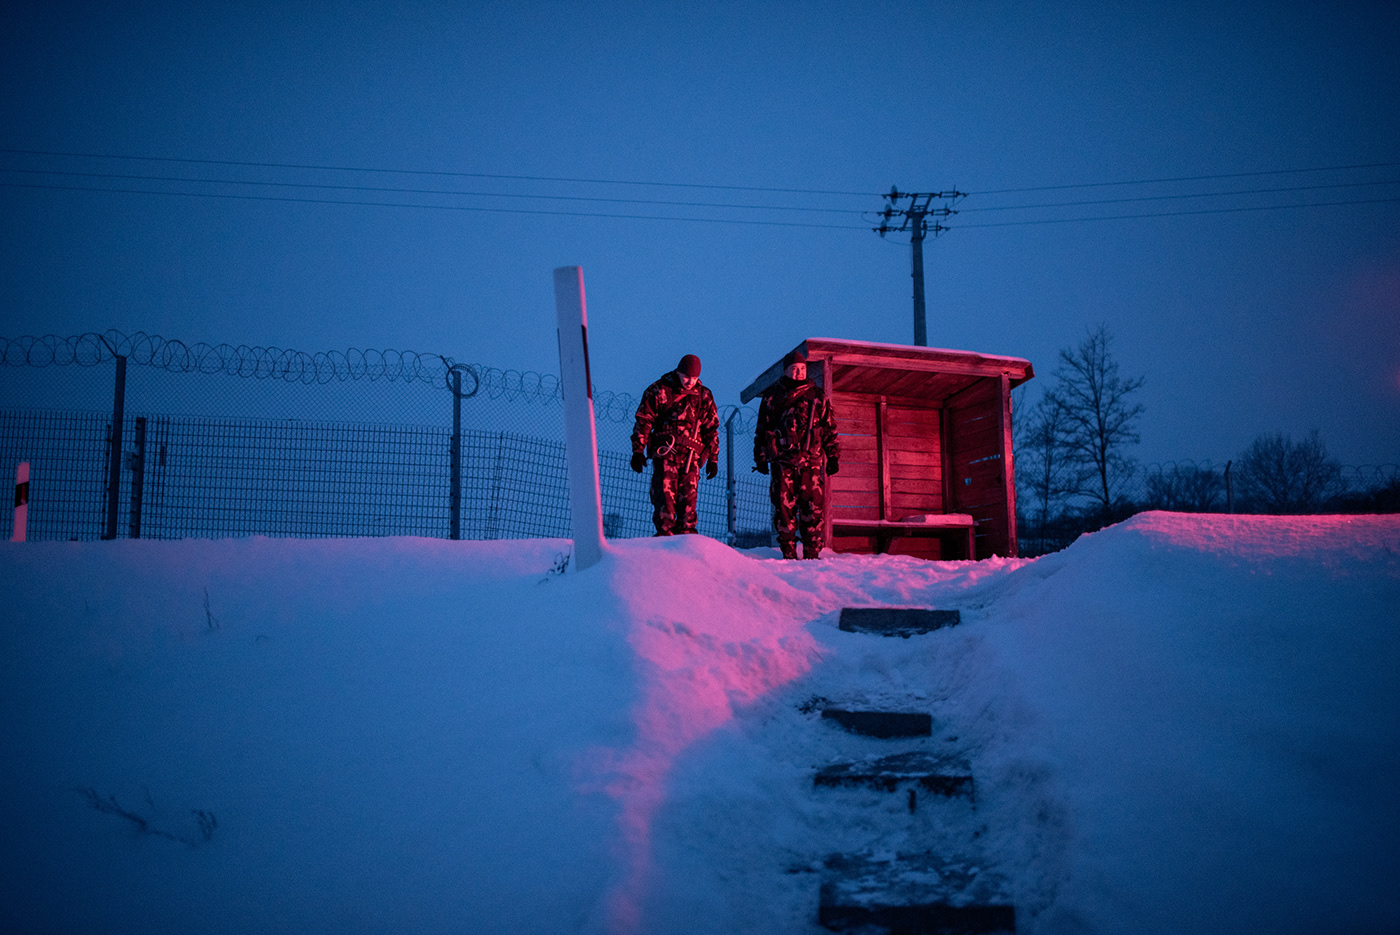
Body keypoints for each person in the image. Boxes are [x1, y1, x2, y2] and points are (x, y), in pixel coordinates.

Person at [753, 349, 840, 559]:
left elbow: (829, 429)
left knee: (812, 510)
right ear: (785, 371)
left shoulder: (817, 396)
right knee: (784, 510)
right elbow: (762, 430)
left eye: (802, 369)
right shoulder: (773, 396)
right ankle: (789, 554)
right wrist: (762, 458)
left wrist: (833, 455)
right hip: (783, 463)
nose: (799, 373)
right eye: (794, 369)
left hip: (810, 463)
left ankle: (812, 554)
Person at [630, 354, 720, 536]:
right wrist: (638, 450)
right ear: (678, 372)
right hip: (666, 454)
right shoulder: (660, 390)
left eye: (694, 378)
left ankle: (687, 546)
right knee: (665, 501)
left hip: (691, 457)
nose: (689, 382)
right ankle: (665, 544)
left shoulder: (703, 396)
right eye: (686, 377)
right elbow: (644, 421)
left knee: (688, 505)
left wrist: (713, 458)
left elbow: (711, 429)